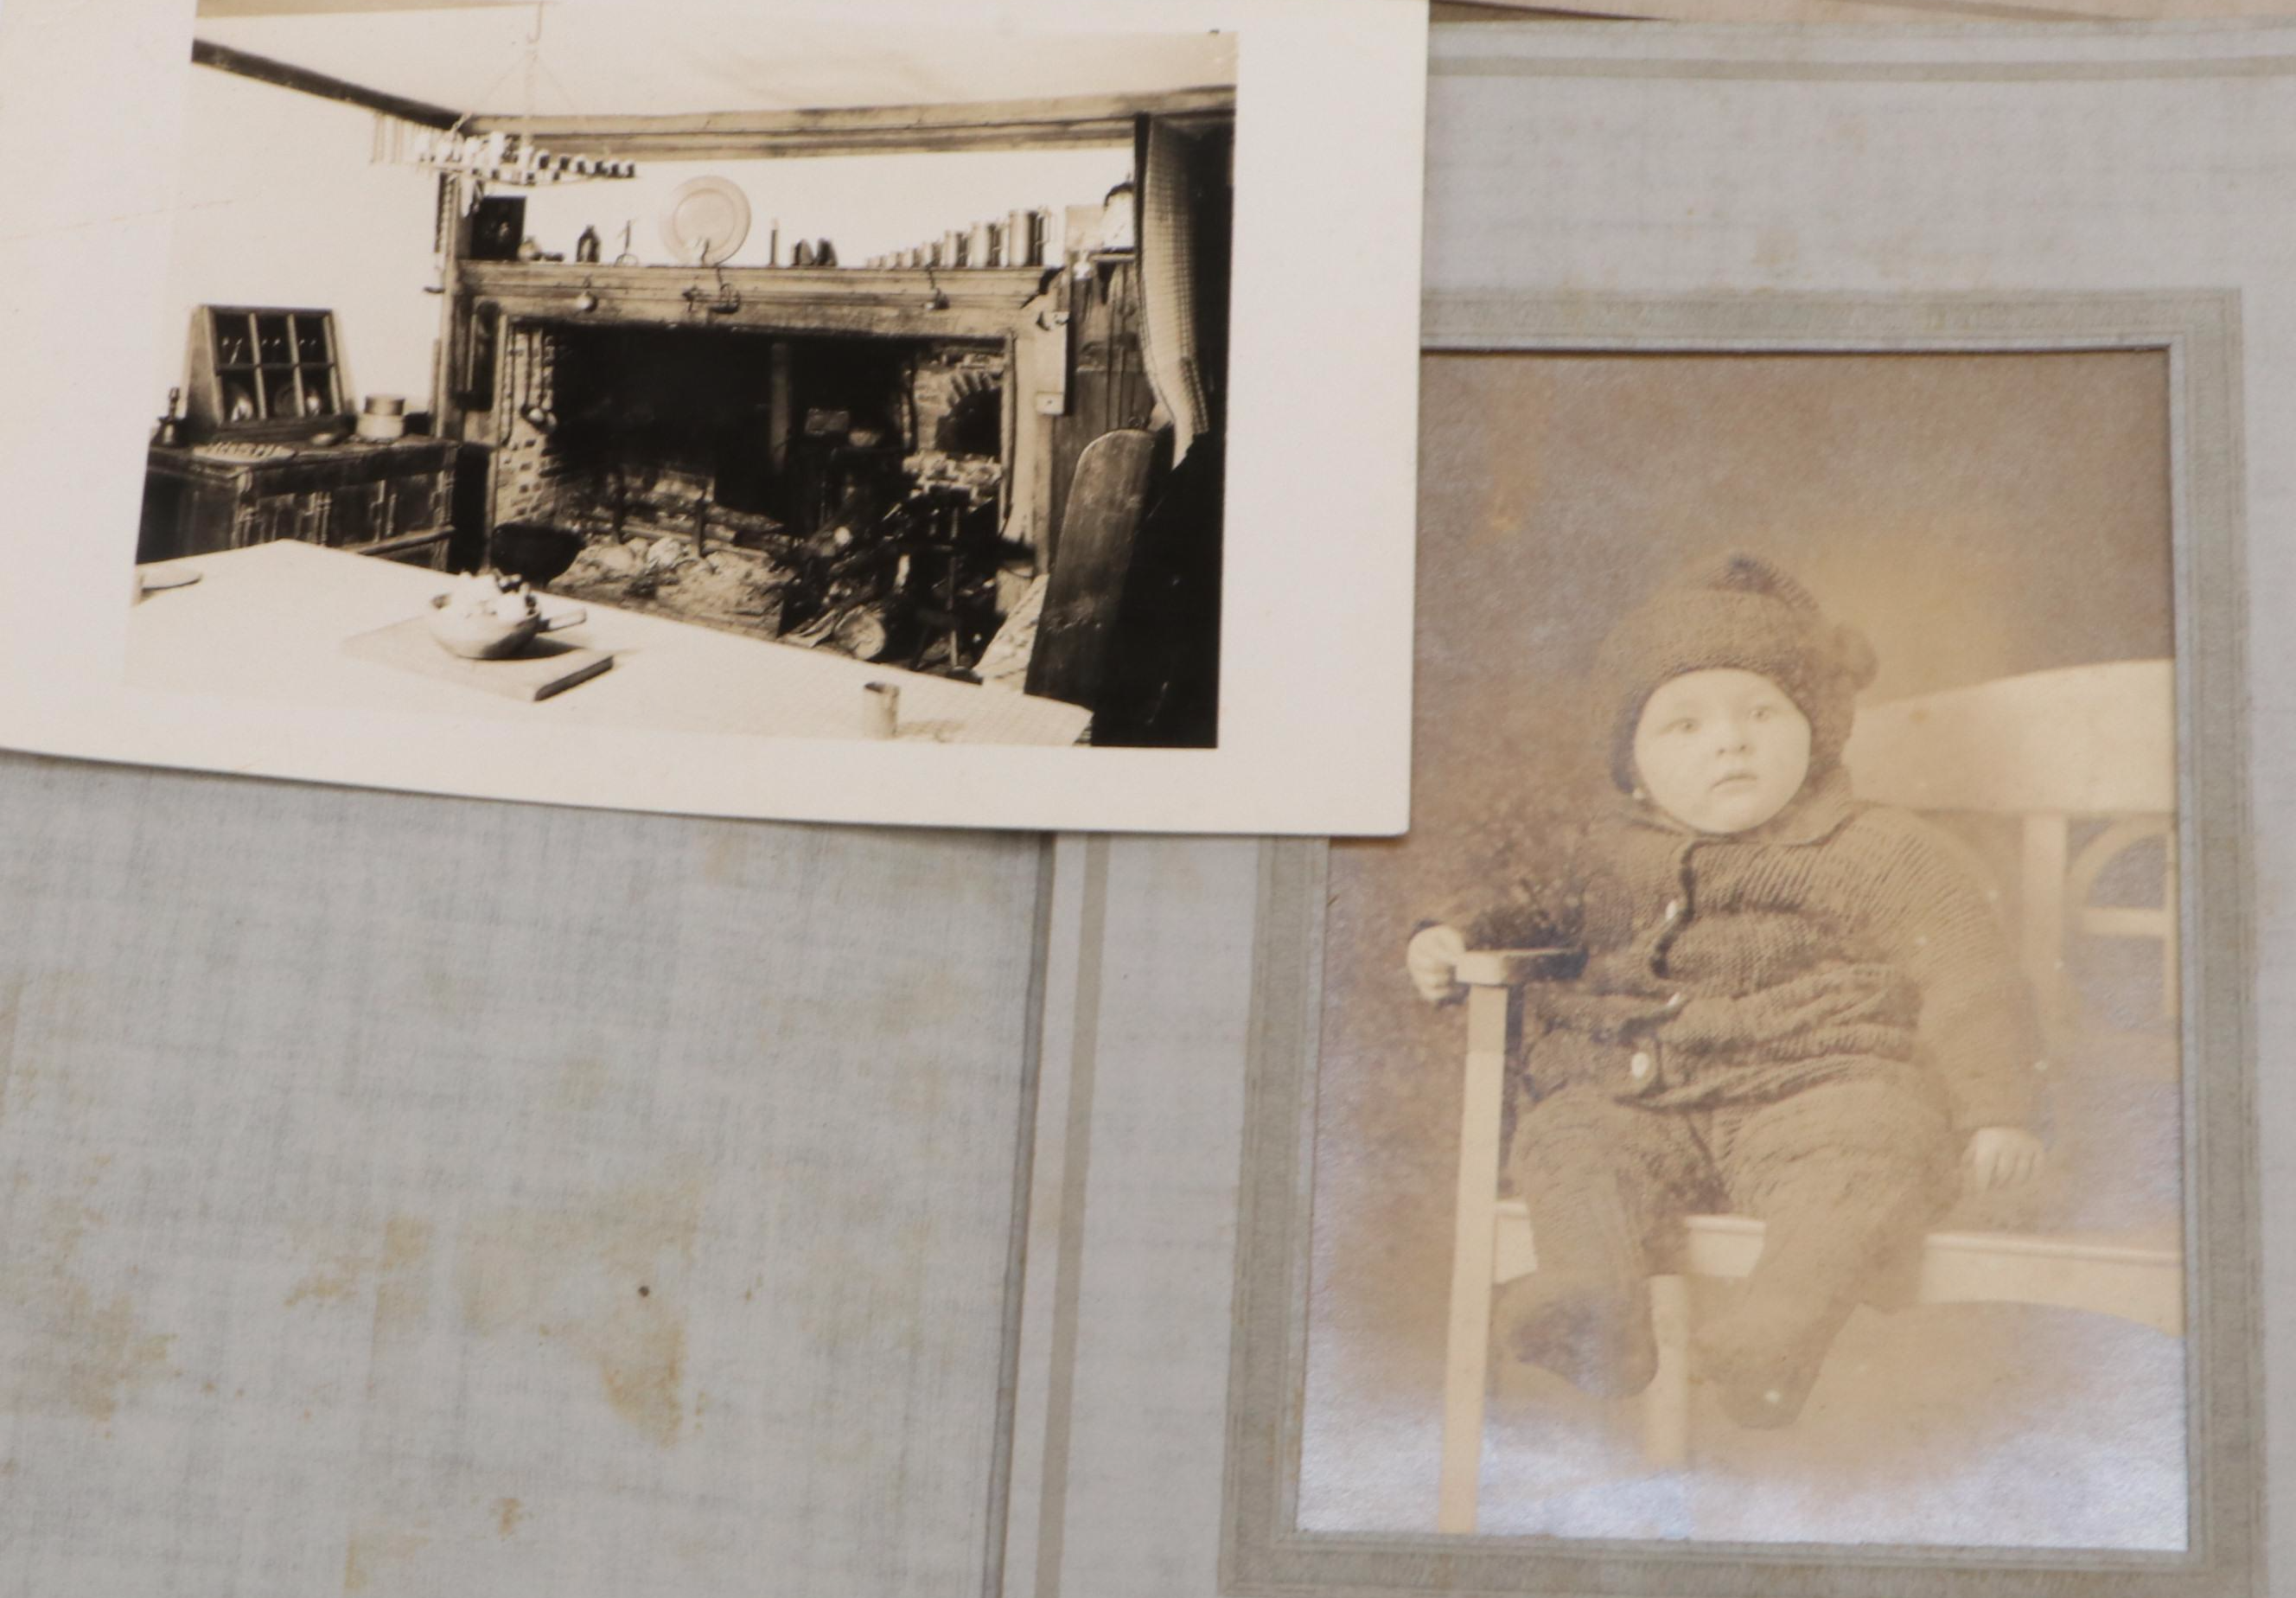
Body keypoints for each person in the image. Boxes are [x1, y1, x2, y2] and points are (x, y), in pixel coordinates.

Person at [1406, 553, 2047, 1428]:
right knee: (1565, 1140)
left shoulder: (1878, 849)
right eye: (1683, 726)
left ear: (1813, 729)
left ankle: (1777, 1333)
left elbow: (1970, 974)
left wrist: (1994, 1108)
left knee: (1872, 1152)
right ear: (1631, 765)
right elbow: (1519, 914)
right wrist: (1451, 941)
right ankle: (1598, 1308)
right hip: (1639, 1098)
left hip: (1820, 1093)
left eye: (1759, 713)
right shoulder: (1599, 857)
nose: (1729, 742)